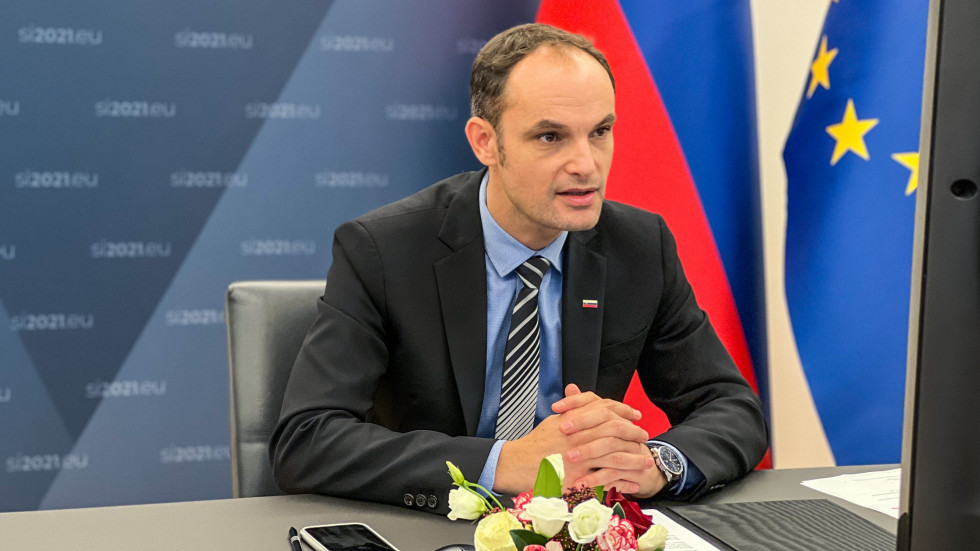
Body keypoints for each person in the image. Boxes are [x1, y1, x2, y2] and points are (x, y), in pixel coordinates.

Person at [270, 23, 767, 514]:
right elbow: (307, 439)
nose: (586, 164)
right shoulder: (383, 251)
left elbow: (732, 408)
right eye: (550, 137)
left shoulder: (638, 246)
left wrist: (657, 463)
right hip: (431, 529)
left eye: (600, 132)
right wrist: (503, 462)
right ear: (485, 141)